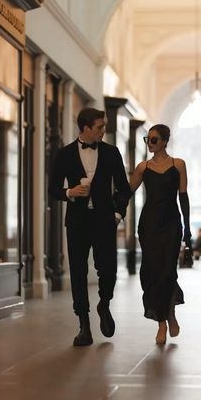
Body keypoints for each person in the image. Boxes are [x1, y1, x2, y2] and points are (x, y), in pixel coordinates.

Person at [49, 107, 131, 346]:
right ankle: (84, 324)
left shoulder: (112, 152)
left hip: (105, 220)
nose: (103, 131)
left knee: (109, 269)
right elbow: (53, 189)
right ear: (85, 128)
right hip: (77, 221)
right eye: (99, 127)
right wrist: (69, 192)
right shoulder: (64, 154)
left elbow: (124, 189)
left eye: (103, 126)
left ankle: (104, 303)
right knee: (77, 271)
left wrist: (118, 213)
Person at [130, 124, 191, 345]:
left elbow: (183, 198)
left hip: (172, 225)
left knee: (168, 272)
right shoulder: (142, 168)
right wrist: (111, 210)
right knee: (152, 273)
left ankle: (166, 319)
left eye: (154, 140)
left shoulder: (178, 165)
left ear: (165, 141)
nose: (150, 143)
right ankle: (165, 319)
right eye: (148, 139)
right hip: (149, 226)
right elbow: (126, 193)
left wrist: (188, 229)